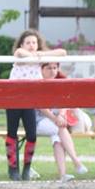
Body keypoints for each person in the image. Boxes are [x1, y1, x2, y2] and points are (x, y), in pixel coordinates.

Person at [5, 29, 67, 181]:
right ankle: (13, 169)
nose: (31, 45)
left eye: (34, 42)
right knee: (12, 133)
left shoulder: (40, 58)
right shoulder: (20, 55)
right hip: (13, 99)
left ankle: (27, 168)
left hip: (30, 101)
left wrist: (42, 54)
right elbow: (19, 53)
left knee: (31, 135)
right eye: (28, 43)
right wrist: (34, 55)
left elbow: (62, 52)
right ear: (22, 44)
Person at [36, 62, 88, 182]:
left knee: (57, 138)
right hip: (38, 121)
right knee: (60, 128)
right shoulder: (38, 83)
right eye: (49, 68)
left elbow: (64, 102)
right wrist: (56, 119)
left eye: (55, 68)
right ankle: (76, 161)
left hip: (53, 122)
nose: (52, 71)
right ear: (41, 70)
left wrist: (61, 115)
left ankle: (63, 175)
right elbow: (41, 107)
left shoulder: (58, 84)